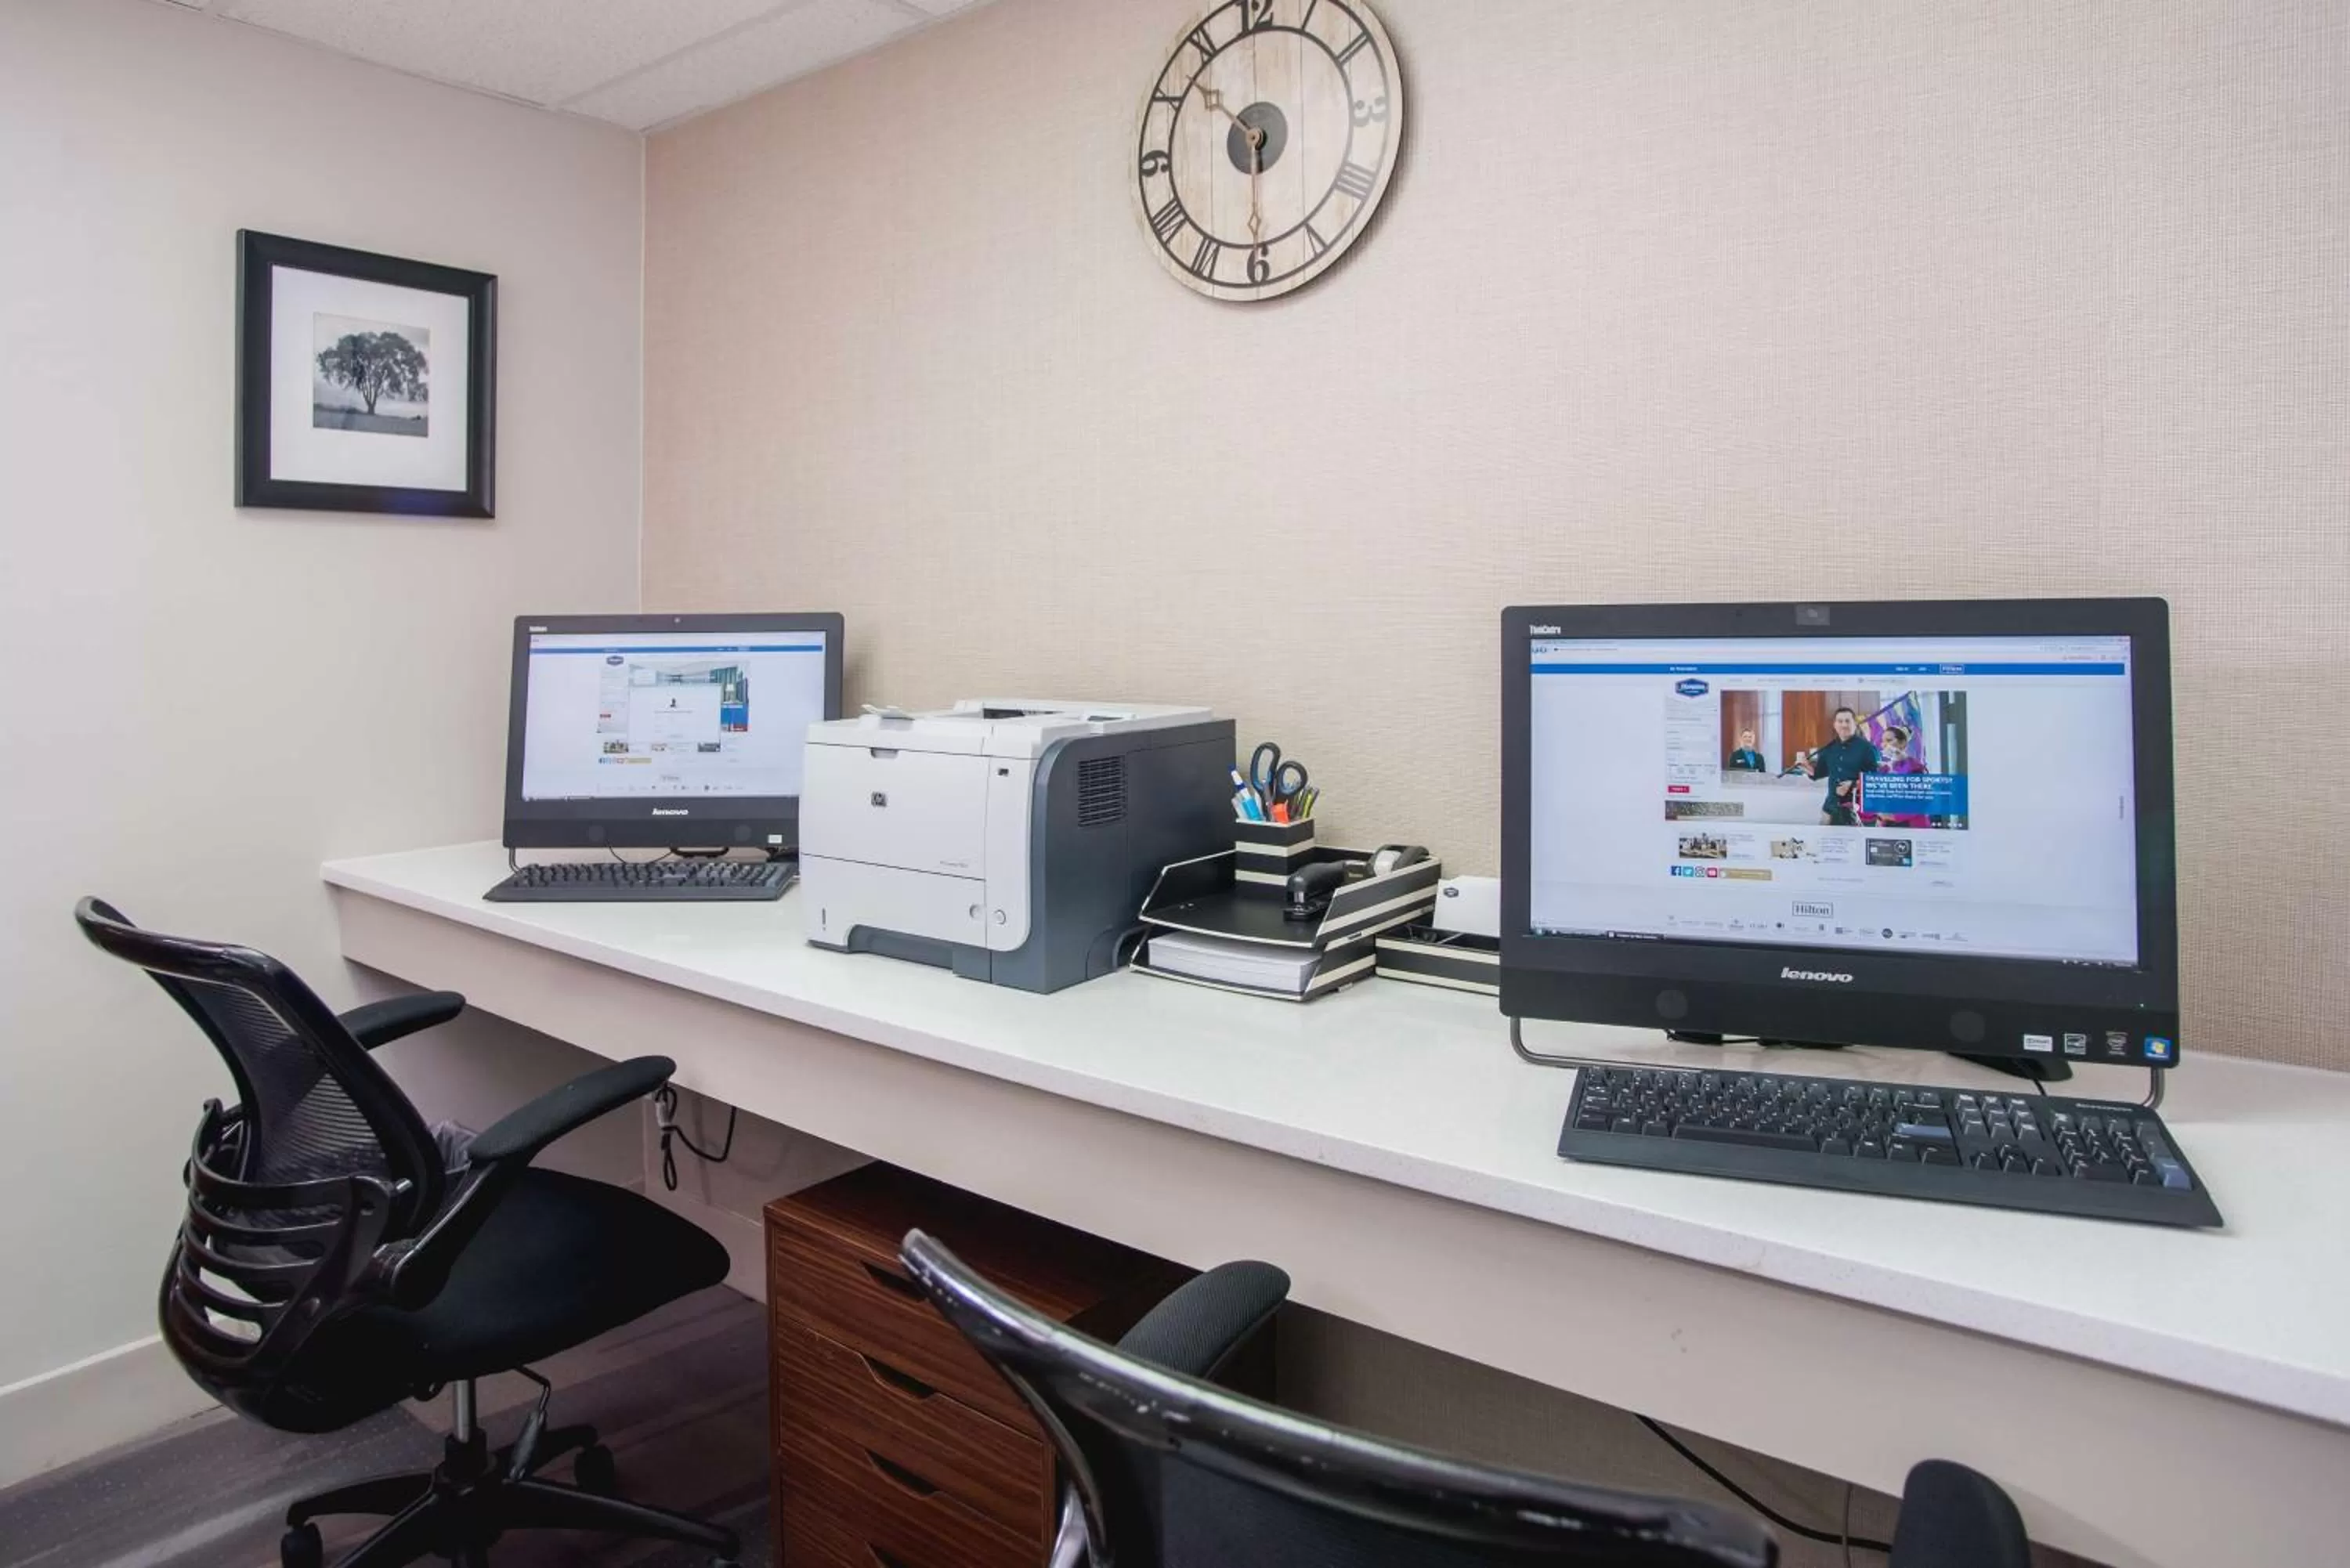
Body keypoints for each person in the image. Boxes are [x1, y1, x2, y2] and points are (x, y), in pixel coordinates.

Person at [1802, 706, 1881, 825]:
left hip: (1858, 811)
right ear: (1834, 725)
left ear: (1855, 724)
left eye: (1848, 721)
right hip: (1830, 807)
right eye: (1840, 721)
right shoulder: (1829, 748)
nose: (1844, 725)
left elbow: (1875, 779)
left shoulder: (1867, 748)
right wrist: (1807, 768)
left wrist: (1853, 784)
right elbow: (1819, 773)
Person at [1866, 723, 1929, 828]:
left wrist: (1894, 816)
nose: (1884, 744)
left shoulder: (1916, 768)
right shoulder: (1884, 770)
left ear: (1903, 744)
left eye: (1889, 740)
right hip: (1887, 827)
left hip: (1912, 827)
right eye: (1883, 741)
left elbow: (1921, 802)